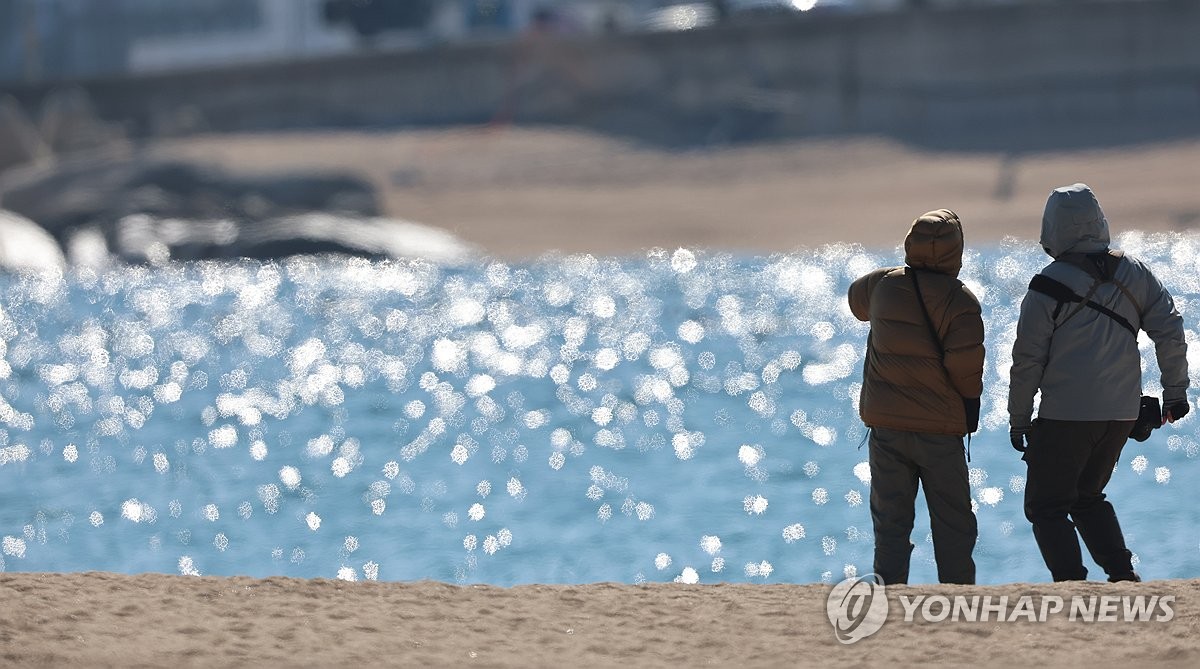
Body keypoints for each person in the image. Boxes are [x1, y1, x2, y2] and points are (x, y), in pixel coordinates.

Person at [1009, 183, 1189, 582]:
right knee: (1087, 496)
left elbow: (1027, 362)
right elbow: (1170, 330)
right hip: (1121, 416)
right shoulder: (1136, 272)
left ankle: (1072, 584)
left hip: (1065, 417)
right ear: (1099, 221)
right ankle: (1123, 577)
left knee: (1047, 506)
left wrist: (1019, 419)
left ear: (1051, 228)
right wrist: (1175, 392)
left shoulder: (1046, 285)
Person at [848, 209, 984, 585]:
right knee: (953, 522)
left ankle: (890, 592)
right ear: (957, 252)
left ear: (910, 244)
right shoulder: (962, 302)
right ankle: (957, 596)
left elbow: (854, 301)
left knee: (890, 522)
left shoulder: (882, 286)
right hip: (940, 430)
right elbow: (967, 374)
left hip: (887, 426)